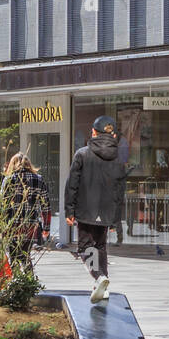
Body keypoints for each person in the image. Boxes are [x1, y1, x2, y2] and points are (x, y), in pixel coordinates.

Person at [64, 115, 132, 303]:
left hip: (85, 210)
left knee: (85, 247)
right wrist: (115, 218)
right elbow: (120, 190)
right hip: (107, 210)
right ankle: (102, 285)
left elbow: (72, 185)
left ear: (93, 132)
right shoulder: (118, 158)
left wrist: (69, 210)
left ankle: (99, 277)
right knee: (101, 246)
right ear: (114, 135)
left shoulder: (82, 154)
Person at [0, 152, 49, 272]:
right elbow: (45, 206)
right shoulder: (39, 180)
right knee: (25, 253)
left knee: (14, 255)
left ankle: (17, 282)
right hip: (30, 225)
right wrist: (46, 228)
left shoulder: (9, 179)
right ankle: (28, 281)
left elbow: (1, 206)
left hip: (12, 224)